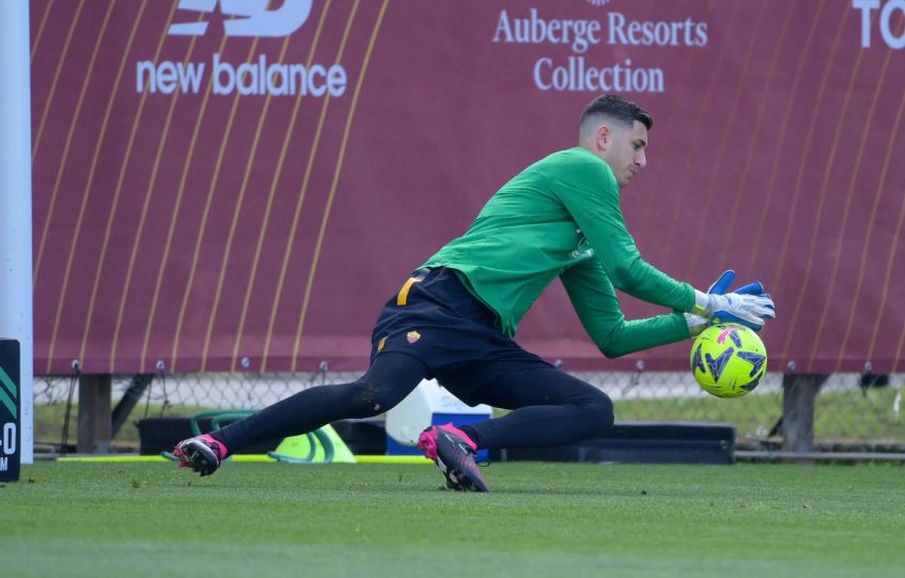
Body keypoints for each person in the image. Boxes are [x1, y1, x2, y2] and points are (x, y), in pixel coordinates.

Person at [173, 94, 775, 491]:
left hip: (483, 339)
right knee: (372, 394)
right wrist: (708, 303)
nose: (645, 159)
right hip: (438, 303)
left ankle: (463, 441)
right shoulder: (585, 170)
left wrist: (694, 325)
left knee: (594, 408)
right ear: (602, 141)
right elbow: (629, 269)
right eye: (637, 145)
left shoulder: (583, 235)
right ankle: (218, 443)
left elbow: (613, 337)